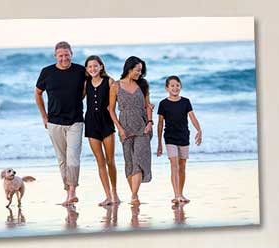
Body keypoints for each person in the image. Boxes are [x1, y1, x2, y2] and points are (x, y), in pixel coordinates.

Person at [35, 41, 87, 206]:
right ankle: (68, 192)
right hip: (54, 122)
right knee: (62, 159)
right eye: (61, 55)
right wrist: (44, 116)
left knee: (73, 157)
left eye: (67, 54)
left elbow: (87, 88)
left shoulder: (80, 70)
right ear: (55, 56)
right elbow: (37, 94)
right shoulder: (47, 72)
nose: (64, 58)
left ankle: (72, 191)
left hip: (76, 120)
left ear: (72, 53)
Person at [108, 56, 153, 206]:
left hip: (142, 127)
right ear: (129, 69)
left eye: (141, 71)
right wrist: (119, 128)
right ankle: (135, 195)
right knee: (129, 163)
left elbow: (148, 106)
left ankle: (133, 195)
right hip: (125, 128)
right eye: (137, 70)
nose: (139, 73)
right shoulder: (115, 86)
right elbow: (111, 110)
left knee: (139, 160)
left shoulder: (143, 84)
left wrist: (150, 123)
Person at [156, 75, 201, 205]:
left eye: (177, 85)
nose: (175, 88)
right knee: (174, 165)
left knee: (182, 167)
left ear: (180, 86)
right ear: (167, 88)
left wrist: (199, 130)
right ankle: (176, 195)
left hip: (183, 136)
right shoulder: (163, 104)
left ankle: (181, 193)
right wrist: (159, 143)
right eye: (172, 85)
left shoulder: (186, 102)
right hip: (170, 137)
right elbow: (160, 124)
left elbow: (192, 117)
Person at [83, 55, 120, 206]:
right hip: (91, 123)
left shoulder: (110, 81)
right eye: (90, 67)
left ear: (101, 67)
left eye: (95, 66)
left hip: (106, 123)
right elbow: (74, 99)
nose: (93, 69)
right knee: (100, 162)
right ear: (86, 69)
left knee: (110, 161)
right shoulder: (86, 84)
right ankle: (107, 196)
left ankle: (114, 192)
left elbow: (118, 101)